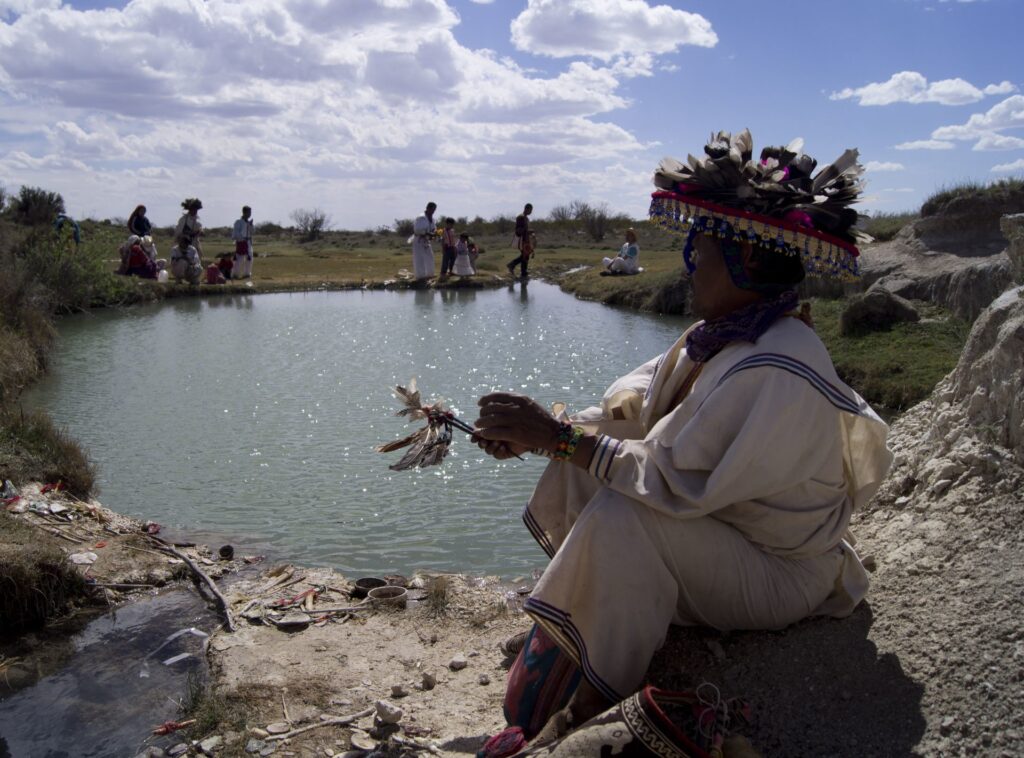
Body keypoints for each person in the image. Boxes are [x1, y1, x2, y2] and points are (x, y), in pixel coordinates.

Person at [472, 129, 893, 748]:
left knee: (624, 513)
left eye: (704, 255)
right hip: (723, 536)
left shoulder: (778, 364)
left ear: (746, 264)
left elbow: (673, 478)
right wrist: (541, 437)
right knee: (583, 450)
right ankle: (589, 616)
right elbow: (632, 412)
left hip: (779, 570)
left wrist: (558, 438)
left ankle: (587, 702)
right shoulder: (720, 334)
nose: (692, 267)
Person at [411, 202, 437, 280]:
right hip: (419, 240)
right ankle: (420, 276)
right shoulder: (421, 217)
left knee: (429, 257)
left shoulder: (432, 218)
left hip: (426, 240)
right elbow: (417, 229)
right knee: (420, 258)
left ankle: (430, 274)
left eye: (434, 210)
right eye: (432, 209)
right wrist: (427, 233)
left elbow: (433, 228)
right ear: (427, 208)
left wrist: (435, 233)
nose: (433, 211)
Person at [507, 203, 533, 278]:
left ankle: (523, 272)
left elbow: (525, 229)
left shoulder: (526, 218)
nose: (531, 212)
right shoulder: (520, 217)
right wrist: (527, 231)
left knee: (526, 256)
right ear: (526, 209)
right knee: (525, 255)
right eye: (530, 210)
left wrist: (529, 232)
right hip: (522, 239)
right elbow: (518, 229)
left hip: (526, 239)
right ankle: (512, 265)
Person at [231, 205, 254, 279]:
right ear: (244, 212)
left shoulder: (249, 222)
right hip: (241, 242)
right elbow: (235, 233)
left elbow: (252, 232)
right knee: (239, 259)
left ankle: (247, 273)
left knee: (249, 258)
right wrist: (241, 239)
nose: (250, 214)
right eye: (248, 212)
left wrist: (250, 226)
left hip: (248, 242)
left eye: (250, 212)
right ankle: (235, 274)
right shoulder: (238, 222)